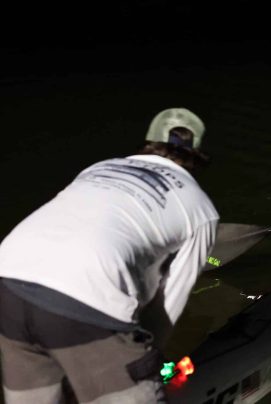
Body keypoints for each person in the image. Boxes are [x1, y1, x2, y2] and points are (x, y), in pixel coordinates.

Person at [0, 108, 219, 403]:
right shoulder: (201, 209)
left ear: (149, 142)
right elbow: (165, 309)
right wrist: (142, 365)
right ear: (198, 153)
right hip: (87, 295)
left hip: (8, 281)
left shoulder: (99, 168)